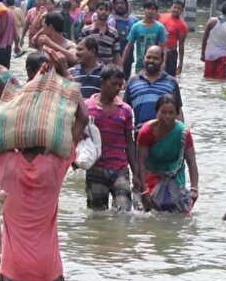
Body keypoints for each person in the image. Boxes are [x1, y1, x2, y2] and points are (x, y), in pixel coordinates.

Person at [0, 55, 87, 281]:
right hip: (49, 269)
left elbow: (5, 116)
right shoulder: (55, 167)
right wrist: (66, 78)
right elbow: (82, 120)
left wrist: (35, 82)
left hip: (13, 271)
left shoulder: (5, 164)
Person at [83, 65, 136, 211]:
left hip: (120, 169)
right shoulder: (87, 107)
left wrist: (136, 173)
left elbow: (129, 142)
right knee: (97, 215)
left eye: (120, 85)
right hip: (95, 168)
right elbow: (78, 135)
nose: (118, 88)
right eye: (114, 84)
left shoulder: (125, 110)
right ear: (102, 82)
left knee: (124, 212)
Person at [134, 96, 198, 213]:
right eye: (163, 112)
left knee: (176, 209)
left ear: (177, 114)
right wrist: (144, 190)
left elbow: (191, 162)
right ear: (156, 112)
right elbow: (141, 162)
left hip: (174, 176)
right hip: (150, 177)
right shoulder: (147, 131)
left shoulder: (183, 132)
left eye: (171, 113)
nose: (167, 116)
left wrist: (194, 188)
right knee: (145, 212)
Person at [124, 46, 184, 131]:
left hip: (166, 136)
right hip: (141, 136)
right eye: (148, 57)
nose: (151, 61)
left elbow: (178, 111)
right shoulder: (132, 82)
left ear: (162, 60)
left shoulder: (172, 82)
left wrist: (182, 134)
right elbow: (125, 112)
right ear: (143, 58)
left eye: (155, 58)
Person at [123, 0, 168, 73]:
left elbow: (163, 47)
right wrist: (122, 62)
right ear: (144, 9)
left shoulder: (160, 27)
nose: (150, 11)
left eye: (153, 9)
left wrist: (163, 63)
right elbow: (129, 46)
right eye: (148, 8)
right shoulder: (136, 26)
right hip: (140, 65)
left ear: (156, 11)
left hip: (156, 65)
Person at [200, 1, 226, 80]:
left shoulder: (211, 21)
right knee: (221, 80)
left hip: (209, 54)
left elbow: (204, 39)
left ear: (221, 10)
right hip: (222, 55)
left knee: (207, 79)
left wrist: (203, 54)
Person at [107, 0, 136, 78]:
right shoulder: (108, 20)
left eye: (122, 3)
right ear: (113, 5)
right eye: (117, 3)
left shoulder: (133, 21)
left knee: (125, 80)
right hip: (111, 55)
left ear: (127, 5)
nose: (119, 5)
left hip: (127, 56)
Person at [70, 36, 106, 100]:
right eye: (76, 49)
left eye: (80, 49)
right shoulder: (72, 72)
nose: (76, 53)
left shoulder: (106, 73)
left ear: (92, 51)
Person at [161, 0, 189, 77]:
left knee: (169, 77)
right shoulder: (163, 17)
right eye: (174, 7)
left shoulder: (182, 25)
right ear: (171, 7)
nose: (176, 10)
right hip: (160, 50)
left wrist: (181, 63)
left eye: (178, 8)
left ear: (182, 11)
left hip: (171, 53)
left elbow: (181, 45)